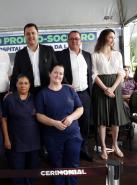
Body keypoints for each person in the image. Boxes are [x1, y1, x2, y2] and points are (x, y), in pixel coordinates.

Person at [36, 64, 83, 185]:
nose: (58, 75)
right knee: (57, 166)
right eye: (56, 72)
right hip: (53, 137)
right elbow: (39, 115)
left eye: (61, 73)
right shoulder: (43, 94)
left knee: (73, 165)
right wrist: (54, 123)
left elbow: (80, 109)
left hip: (73, 135)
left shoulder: (69, 90)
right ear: (50, 74)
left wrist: (71, 117)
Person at [92, 29, 129, 160]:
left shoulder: (118, 54)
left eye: (114, 37)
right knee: (102, 121)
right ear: (103, 38)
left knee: (115, 120)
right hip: (100, 88)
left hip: (115, 88)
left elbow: (121, 73)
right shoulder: (95, 54)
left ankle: (114, 145)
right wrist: (105, 89)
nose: (113, 39)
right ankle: (103, 147)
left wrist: (112, 88)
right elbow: (94, 74)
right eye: (110, 37)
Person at [56, 30, 93, 162]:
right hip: (68, 95)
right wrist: (66, 85)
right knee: (67, 123)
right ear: (67, 41)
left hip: (84, 94)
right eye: (71, 39)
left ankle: (83, 149)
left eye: (76, 39)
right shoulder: (60, 55)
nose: (74, 41)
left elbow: (90, 75)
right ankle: (67, 151)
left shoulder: (88, 55)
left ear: (80, 40)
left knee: (85, 124)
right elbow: (58, 73)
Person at [2, 74, 40, 185]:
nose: (23, 85)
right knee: (17, 173)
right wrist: (6, 139)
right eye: (20, 83)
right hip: (16, 142)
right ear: (16, 84)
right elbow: (3, 119)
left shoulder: (35, 98)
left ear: (30, 85)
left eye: (26, 83)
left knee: (32, 172)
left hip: (34, 143)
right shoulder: (9, 99)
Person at [10, 23, 58, 94]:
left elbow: (57, 69)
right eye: (28, 34)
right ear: (24, 36)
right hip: (28, 93)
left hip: (47, 90)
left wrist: (65, 84)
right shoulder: (19, 54)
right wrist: (12, 90)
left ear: (37, 34)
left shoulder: (48, 50)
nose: (31, 36)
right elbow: (15, 74)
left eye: (33, 33)